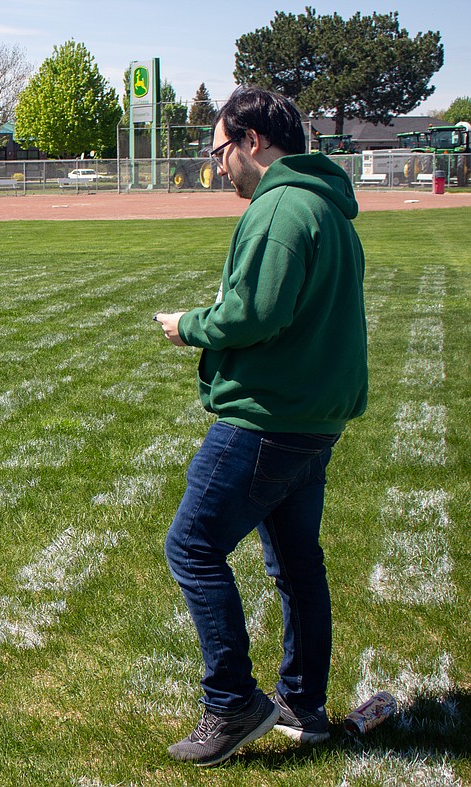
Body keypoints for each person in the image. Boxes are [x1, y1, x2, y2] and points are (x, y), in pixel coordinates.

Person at [153, 86, 368, 766]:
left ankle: (233, 701)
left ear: (251, 141)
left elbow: (255, 313)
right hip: (314, 419)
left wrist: (187, 326)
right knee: (297, 563)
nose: (219, 166)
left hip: (268, 417)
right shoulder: (328, 206)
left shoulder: (281, 206)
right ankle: (302, 703)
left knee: (191, 544)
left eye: (221, 150)